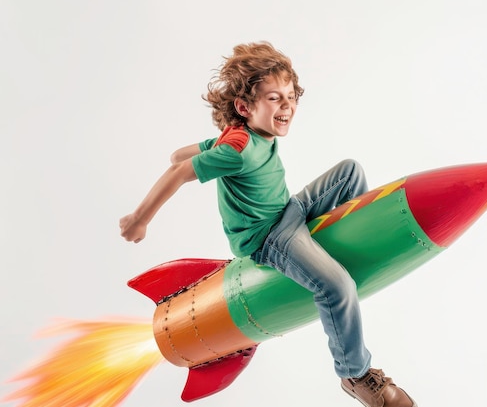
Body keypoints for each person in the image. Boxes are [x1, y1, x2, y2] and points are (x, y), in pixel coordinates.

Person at [119, 41, 416, 407]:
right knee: (336, 286)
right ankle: (354, 374)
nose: (288, 106)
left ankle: (358, 244)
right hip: (269, 237)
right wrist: (139, 219)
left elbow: (184, 154)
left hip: (287, 211)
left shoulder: (241, 134)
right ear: (245, 107)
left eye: (291, 97)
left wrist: (189, 150)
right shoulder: (237, 150)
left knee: (350, 171)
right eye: (275, 98)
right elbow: (180, 170)